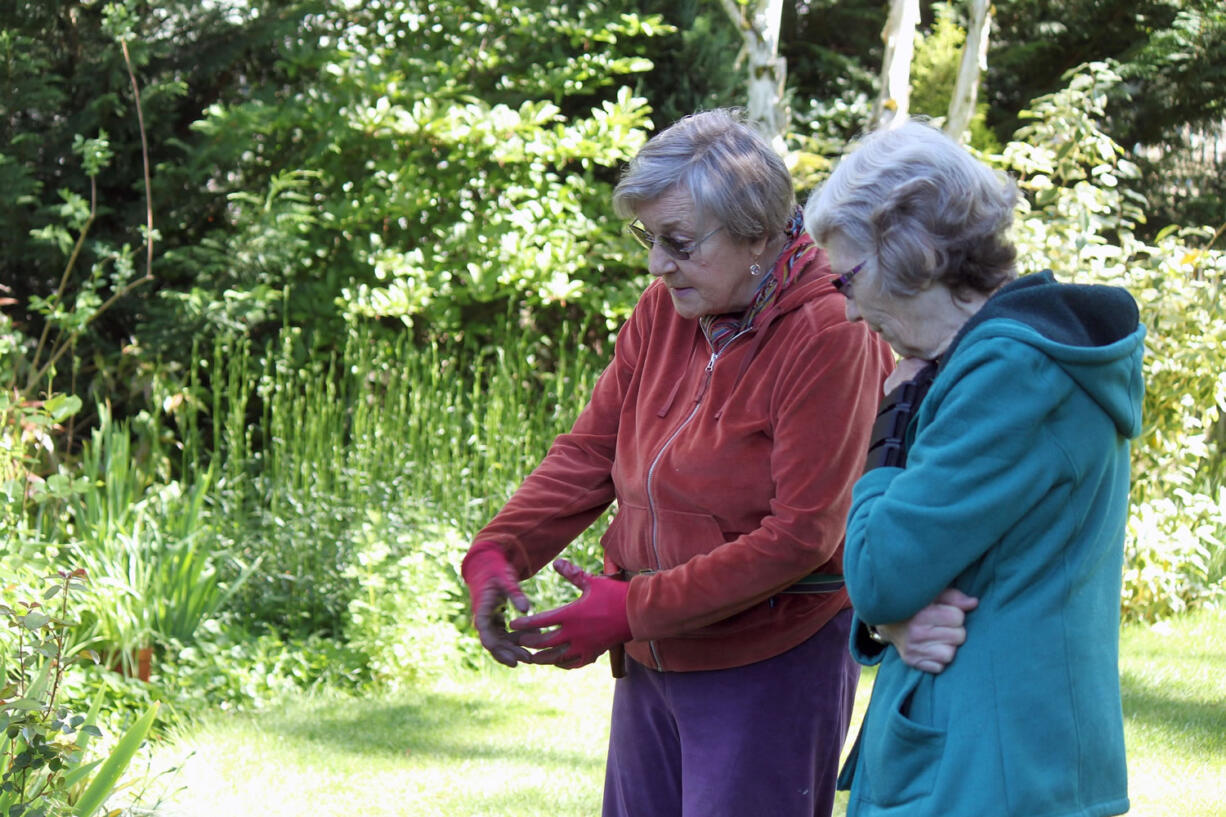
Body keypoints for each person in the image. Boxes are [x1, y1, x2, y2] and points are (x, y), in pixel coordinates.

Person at [459, 108, 898, 817]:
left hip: (769, 659)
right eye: (650, 238)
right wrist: (499, 549)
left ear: (757, 235)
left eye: (679, 242)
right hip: (654, 652)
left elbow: (804, 534)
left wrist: (630, 608)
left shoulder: (830, 331)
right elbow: (590, 452)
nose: (657, 263)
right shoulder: (666, 309)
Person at [803, 119, 1143, 817]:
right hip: (985, 755)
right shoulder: (995, 362)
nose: (844, 308)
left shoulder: (1010, 373)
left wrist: (888, 428)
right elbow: (910, 582)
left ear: (911, 250)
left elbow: (879, 570)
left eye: (848, 277)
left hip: (994, 769)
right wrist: (889, 621)